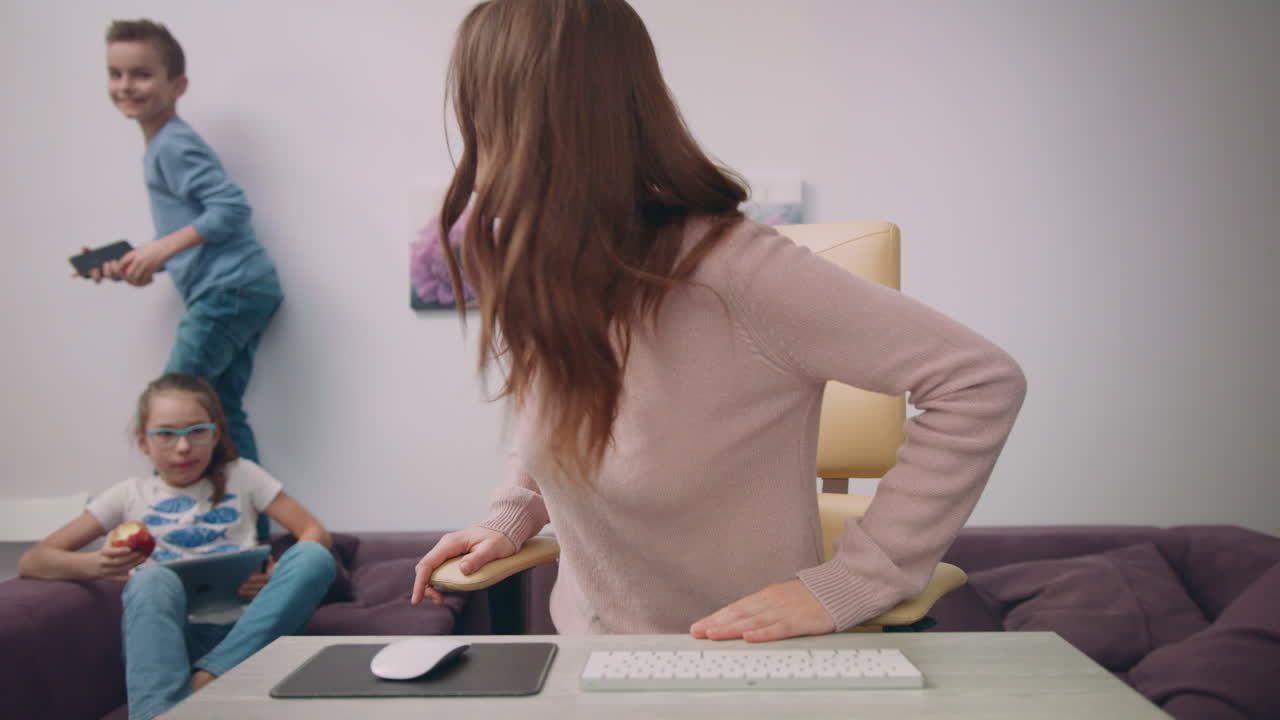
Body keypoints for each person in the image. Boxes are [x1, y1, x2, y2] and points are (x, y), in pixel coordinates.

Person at [409, 0, 1026, 643]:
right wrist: (512, 513)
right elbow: (556, 415)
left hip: (743, 663)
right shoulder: (545, 267)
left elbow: (979, 381)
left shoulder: (737, 271)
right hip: (589, 656)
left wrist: (856, 580)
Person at [18, 373, 335, 720]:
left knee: (313, 556)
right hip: (171, 645)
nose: (183, 447)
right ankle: (162, 710)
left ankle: (208, 680)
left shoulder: (242, 475)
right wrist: (96, 565)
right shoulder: (128, 494)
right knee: (152, 579)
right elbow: (34, 560)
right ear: (144, 441)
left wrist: (275, 573)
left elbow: (313, 531)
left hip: (248, 637)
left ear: (215, 434)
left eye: (197, 432)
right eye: (166, 434)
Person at [76, 18, 283, 467]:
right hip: (244, 287)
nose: (126, 86)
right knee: (221, 409)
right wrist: (140, 262)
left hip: (228, 290)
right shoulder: (163, 145)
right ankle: (252, 512)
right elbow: (196, 230)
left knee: (171, 404)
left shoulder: (172, 144)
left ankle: (174, 504)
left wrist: (160, 250)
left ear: (178, 85)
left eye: (142, 74)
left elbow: (231, 207)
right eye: (116, 74)